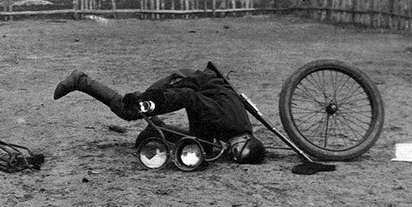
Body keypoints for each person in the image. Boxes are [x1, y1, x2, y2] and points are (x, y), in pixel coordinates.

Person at [53, 64, 265, 164]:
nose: (230, 151)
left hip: (201, 87)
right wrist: (149, 101)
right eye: (235, 149)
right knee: (128, 110)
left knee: (203, 146)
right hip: (185, 83)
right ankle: (81, 81)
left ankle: (155, 128)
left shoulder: (241, 129)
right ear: (246, 140)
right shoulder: (226, 122)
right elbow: (188, 97)